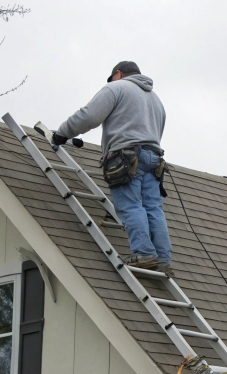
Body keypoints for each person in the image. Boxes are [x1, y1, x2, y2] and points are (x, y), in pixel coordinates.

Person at [53, 61, 172, 275]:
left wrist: (62, 133)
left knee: (131, 206)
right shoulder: (156, 100)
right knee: (153, 208)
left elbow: (90, 116)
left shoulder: (116, 88)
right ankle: (162, 258)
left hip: (126, 156)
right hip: (153, 158)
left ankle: (144, 254)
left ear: (118, 74)